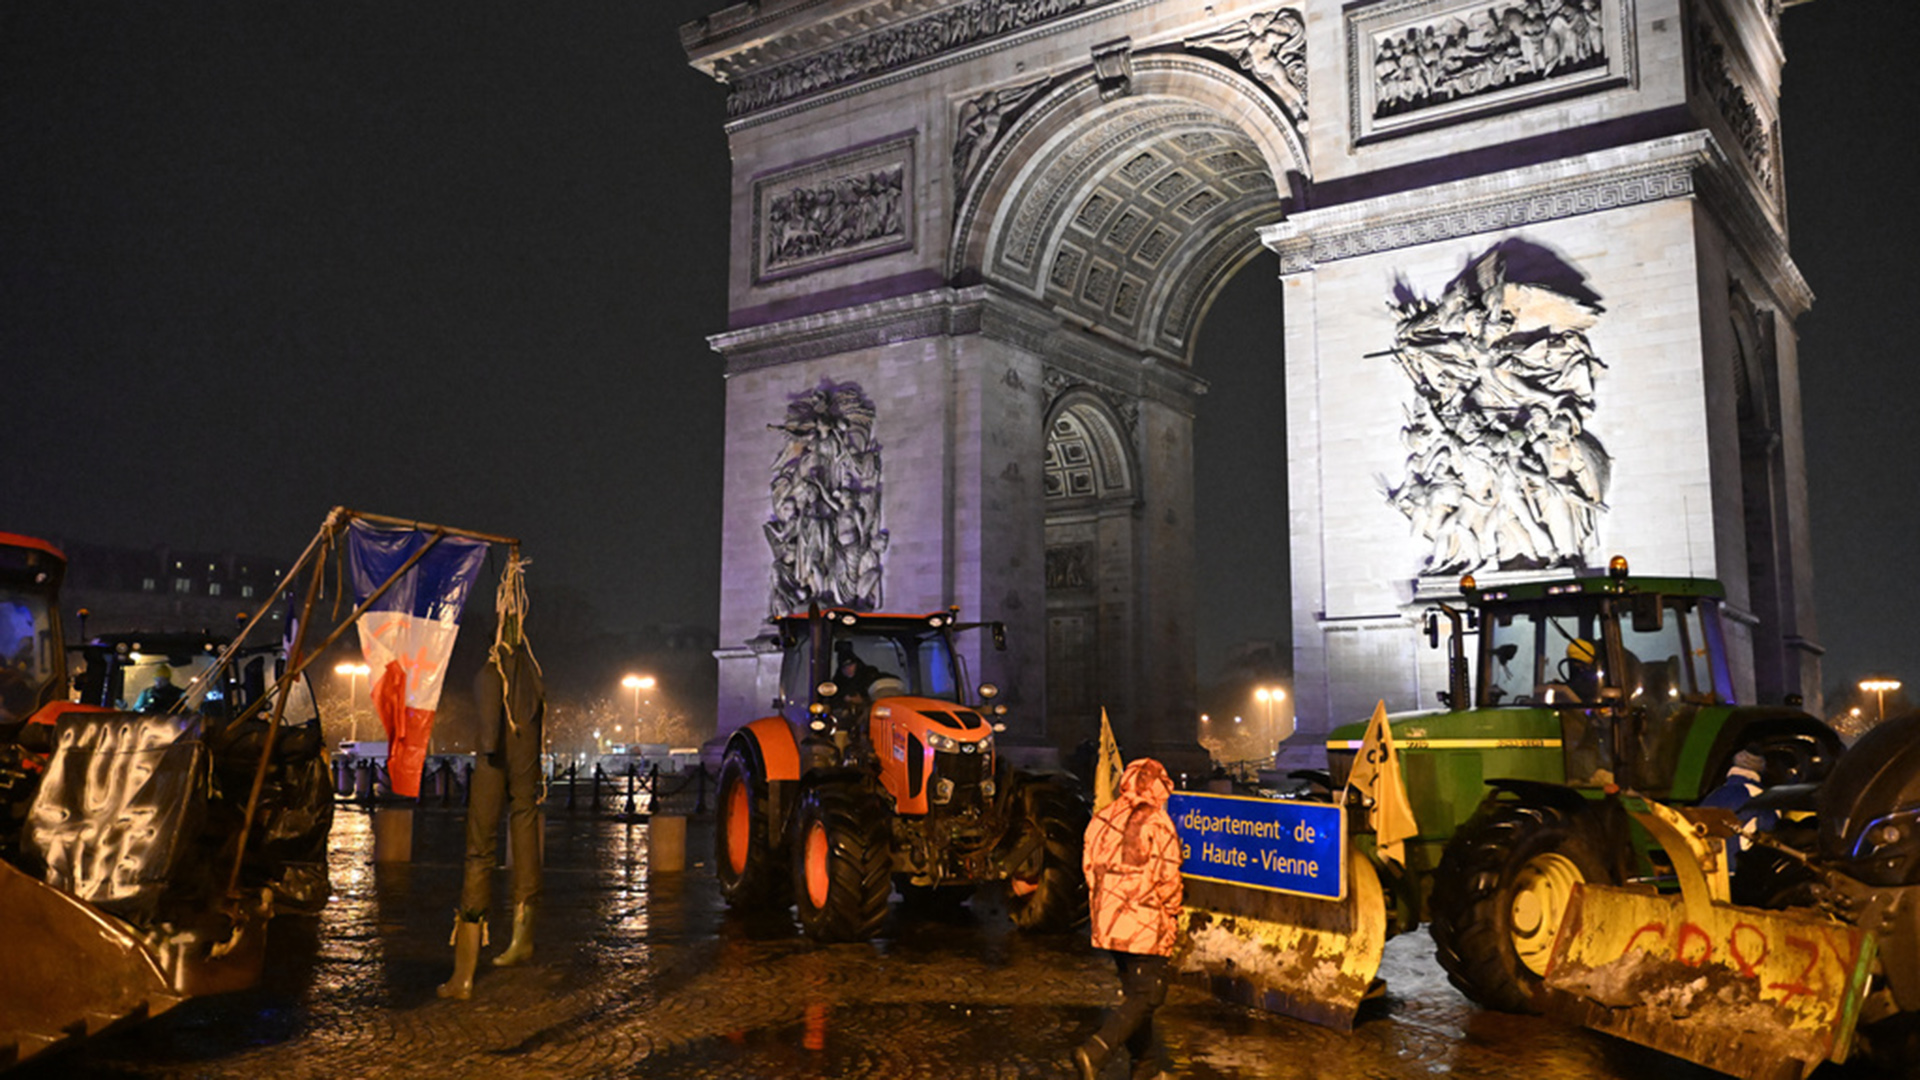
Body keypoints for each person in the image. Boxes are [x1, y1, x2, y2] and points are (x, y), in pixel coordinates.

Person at [440, 560, 546, 1001]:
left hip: (492, 765)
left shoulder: (491, 674)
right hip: (525, 766)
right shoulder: (532, 676)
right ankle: (523, 931)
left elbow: (488, 738)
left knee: (478, 852)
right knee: (524, 825)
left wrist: (489, 746)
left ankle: (463, 974)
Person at [1074, 757, 1183, 1080]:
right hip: (1145, 922)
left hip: (1109, 925)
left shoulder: (1102, 819)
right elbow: (1168, 877)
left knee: (1137, 996)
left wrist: (1105, 909)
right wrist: (1172, 911)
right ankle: (1095, 1051)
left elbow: (1089, 870)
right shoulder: (1157, 822)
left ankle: (1146, 1069)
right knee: (1148, 994)